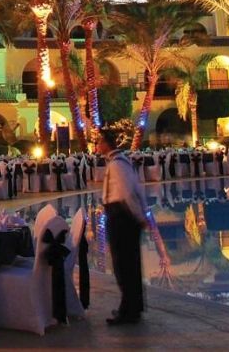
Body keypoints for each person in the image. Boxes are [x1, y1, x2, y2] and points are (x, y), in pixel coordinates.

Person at [99, 134, 149, 325]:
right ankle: (131, 307)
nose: (97, 145)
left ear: (107, 143)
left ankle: (128, 311)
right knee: (129, 265)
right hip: (123, 216)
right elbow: (138, 189)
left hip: (122, 217)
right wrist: (142, 214)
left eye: (100, 142)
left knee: (124, 265)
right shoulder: (120, 162)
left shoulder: (118, 165)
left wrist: (138, 216)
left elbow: (128, 193)